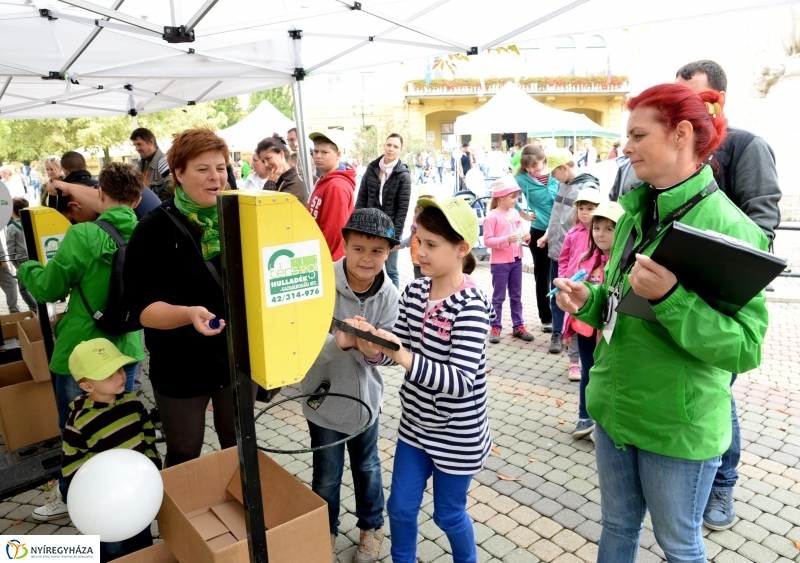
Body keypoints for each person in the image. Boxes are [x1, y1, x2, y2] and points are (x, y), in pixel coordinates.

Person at [554, 83, 768, 563]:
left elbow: (745, 348)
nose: (625, 148)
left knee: (679, 546)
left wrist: (672, 298)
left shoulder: (730, 227)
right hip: (612, 411)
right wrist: (588, 302)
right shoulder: (632, 212)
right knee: (617, 528)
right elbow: (618, 303)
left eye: (637, 135)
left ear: (681, 134)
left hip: (677, 427)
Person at [352, 197, 494, 563]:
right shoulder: (414, 292)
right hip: (415, 426)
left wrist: (400, 352)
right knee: (399, 508)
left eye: (431, 244)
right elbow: (393, 349)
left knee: (448, 514)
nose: (420, 251)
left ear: (461, 249)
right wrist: (372, 346)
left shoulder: (472, 305)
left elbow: (461, 380)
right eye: (418, 240)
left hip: (457, 436)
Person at [675, 59, 782, 531]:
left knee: (717, 391)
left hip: (718, 300)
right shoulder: (680, 147)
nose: (686, 109)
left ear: (720, 100)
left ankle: (723, 484)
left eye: (697, 100)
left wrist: (715, 262)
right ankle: (687, 480)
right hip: (671, 296)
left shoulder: (746, 146)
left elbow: (762, 226)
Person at [21, 162, 146, 522]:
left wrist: (28, 267)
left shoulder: (84, 235)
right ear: (137, 199)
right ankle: (122, 496)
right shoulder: (145, 232)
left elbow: (48, 288)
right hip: (128, 347)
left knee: (77, 430)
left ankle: (73, 497)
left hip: (84, 352)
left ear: (101, 194)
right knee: (120, 423)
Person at [124, 128, 249, 469]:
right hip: (180, 364)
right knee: (184, 452)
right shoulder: (153, 229)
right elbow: (144, 310)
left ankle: (240, 514)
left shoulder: (240, 218)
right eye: (203, 169)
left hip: (235, 358)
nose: (216, 177)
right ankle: (180, 520)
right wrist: (188, 313)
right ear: (178, 173)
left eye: (221, 167)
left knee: (238, 447)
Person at [303, 208, 399, 563]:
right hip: (323, 401)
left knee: (368, 467)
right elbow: (302, 350)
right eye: (359, 248)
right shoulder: (319, 283)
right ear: (343, 243)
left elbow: (392, 355)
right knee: (326, 475)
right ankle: (324, 530)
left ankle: (371, 529)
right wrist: (339, 343)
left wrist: (373, 353)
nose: (367, 258)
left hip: (366, 403)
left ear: (389, 252)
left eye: (378, 251)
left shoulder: (390, 295)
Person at [62, 338, 160, 561]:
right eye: (108, 374)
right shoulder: (80, 420)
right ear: (87, 386)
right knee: (113, 549)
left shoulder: (133, 403)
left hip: (136, 492)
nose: (120, 377)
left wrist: (153, 464)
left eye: (119, 369)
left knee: (142, 539)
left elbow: (147, 436)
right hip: (106, 503)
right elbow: (71, 463)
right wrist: (87, 498)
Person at [562, 200, 622, 441]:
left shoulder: (625, 264)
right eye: (597, 228)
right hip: (586, 328)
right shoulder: (587, 258)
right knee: (588, 371)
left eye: (609, 228)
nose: (600, 233)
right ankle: (584, 416)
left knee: (608, 374)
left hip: (610, 331)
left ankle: (604, 423)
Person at [537, 147, 600, 355]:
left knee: (572, 298)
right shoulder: (564, 184)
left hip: (577, 259)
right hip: (558, 252)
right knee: (557, 294)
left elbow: (592, 224)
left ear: (564, 168)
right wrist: (548, 235)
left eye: (554, 172)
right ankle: (558, 332)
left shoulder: (587, 187)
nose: (552, 177)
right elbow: (557, 216)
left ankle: (571, 342)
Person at [355, 133, 412, 289]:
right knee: (371, 267)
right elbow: (361, 198)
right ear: (384, 145)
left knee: (391, 269)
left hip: (390, 230)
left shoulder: (403, 175)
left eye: (395, 146)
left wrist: (395, 237)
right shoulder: (372, 168)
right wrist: (357, 224)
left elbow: (402, 209)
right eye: (389, 145)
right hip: (370, 226)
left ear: (400, 150)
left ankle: (394, 305)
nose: (391, 149)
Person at [558, 188, 603, 381]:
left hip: (592, 287)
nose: (584, 212)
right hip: (572, 286)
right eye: (581, 208)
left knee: (589, 325)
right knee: (573, 324)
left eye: (590, 208)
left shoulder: (600, 233)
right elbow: (564, 259)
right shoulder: (572, 233)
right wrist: (562, 281)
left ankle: (592, 358)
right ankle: (574, 361)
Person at [514, 145, 559, 333]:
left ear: (544, 159)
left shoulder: (556, 172)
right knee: (542, 275)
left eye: (535, 165)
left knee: (559, 275)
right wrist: (522, 213)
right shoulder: (521, 179)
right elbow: (503, 196)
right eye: (528, 167)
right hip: (539, 231)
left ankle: (561, 316)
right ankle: (546, 317)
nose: (532, 170)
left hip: (560, 231)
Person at [484, 176, 534, 344]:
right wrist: (506, 239)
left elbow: (519, 232)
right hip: (499, 264)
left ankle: (518, 325)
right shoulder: (491, 217)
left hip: (516, 261)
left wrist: (526, 237)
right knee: (498, 297)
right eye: (513, 197)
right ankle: (495, 326)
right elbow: (487, 241)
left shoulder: (514, 213)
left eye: (517, 197)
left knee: (516, 296)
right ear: (501, 197)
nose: (516, 200)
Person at [307, 130, 355, 262]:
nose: (318, 156)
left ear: (338, 155)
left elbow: (335, 232)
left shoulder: (336, 185)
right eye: (315, 151)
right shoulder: (324, 180)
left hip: (330, 259)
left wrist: (329, 262)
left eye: (324, 152)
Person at [5, 197, 37, 311]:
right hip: (35, 258)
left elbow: (10, 249)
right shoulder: (33, 223)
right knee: (36, 284)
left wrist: (15, 264)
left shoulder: (12, 228)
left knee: (23, 289)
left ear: (12, 211)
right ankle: (40, 307)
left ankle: (36, 309)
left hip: (22, 261)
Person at [257, 134, 307, 205]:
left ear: (281, 154)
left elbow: (272, 209)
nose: (266, 164)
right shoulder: (276, 179)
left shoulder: (296, 181)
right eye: (263, 161)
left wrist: (270, 183)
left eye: (268, 158)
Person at [400, 190, 435, 280]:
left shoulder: (435, 223)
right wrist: (397, 245)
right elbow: (412, 240)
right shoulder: (415, 221)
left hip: (430, 261)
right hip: (417, 260)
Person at [131, 127, 173, 201]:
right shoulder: (141, 163)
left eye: (139, 144)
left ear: (151, 142)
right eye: (135, 145)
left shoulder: (166, 163)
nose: (137, 148)